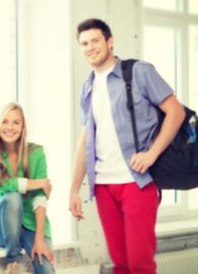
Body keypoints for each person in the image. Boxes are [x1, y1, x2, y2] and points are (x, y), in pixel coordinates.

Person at [69, 18, 185, 274]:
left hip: (137, 182)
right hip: (103, 185)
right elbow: (85, 140)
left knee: (140, 265)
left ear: (109, 42)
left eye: (95, 40)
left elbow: (175, 112)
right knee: (120, 265)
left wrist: (152, 154)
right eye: (84, 43)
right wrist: (75, 189)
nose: (90, 47)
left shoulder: (139, 72)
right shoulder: (88, 87)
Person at [0, 103, 55, 274]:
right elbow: (0, 185)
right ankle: (14, 262)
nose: (10, 127)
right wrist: (37, 183)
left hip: (29, 224)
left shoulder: (36, 153)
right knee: (12, 197)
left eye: (16, 122)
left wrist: (39, 238)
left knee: (45, 267)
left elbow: (40, 197)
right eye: (5, 121)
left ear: (23, 128)